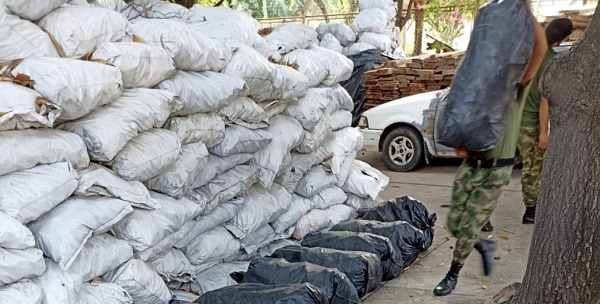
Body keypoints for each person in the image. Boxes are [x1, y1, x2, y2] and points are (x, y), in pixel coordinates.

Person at [433, 7, 549, 297]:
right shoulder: (481, 88)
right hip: (471, 164)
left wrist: (524, 8)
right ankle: (481, 243)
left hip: (496, 170)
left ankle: (452, 273)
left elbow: (540, 46)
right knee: (454, 223)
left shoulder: (516, 88)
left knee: (469, 223)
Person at [519, 18, 573, 224]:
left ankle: (482, 216)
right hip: (530, 122)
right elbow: (545, 100)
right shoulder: (552, 61)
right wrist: (544, 132)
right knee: (532, 168)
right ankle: (531, 211)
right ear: (562, 40)